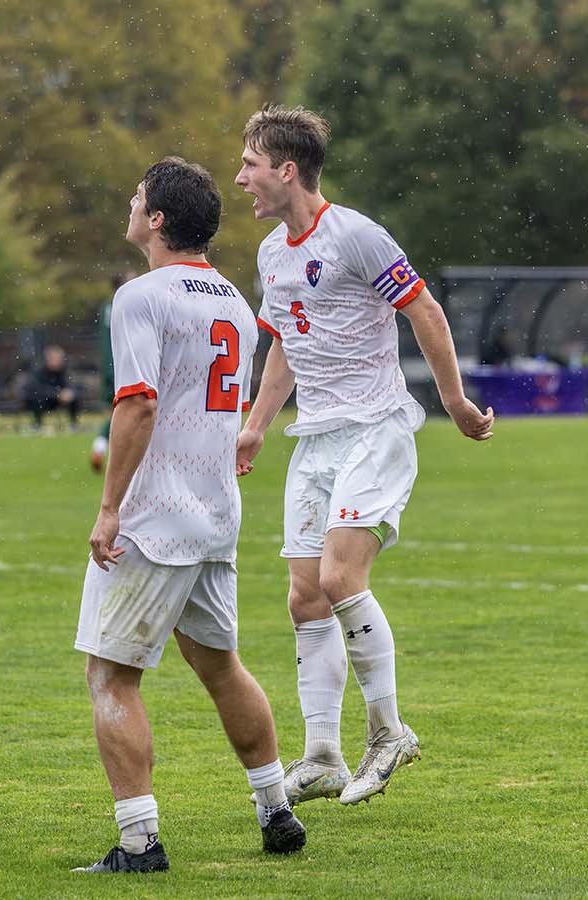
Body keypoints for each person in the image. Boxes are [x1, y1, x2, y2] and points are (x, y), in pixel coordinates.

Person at [233, 105, 494, 807]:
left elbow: (424, 311)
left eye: (251, 165)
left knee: (341, 577)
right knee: (305, 596)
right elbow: (284, 343)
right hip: (314, 439)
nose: (242, 179)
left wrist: (455, 402)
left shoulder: (356, 236)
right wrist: (256, 426)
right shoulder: (271, 254)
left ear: (288, 170)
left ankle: (390, 731)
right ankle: (322, 754)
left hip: (375, 429)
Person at [75, 157, 305, 874]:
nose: (130, 203)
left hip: (155, 518)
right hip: (215, 513)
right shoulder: (233, 299)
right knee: (220, 666)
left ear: (157, 220)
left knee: (111, 676)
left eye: (138, 196)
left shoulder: (140, 296)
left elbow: (138, 404)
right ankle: (276, 810)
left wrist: (110, 509)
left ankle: (139, 843)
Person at [91, 271, 137, 471]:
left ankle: (101, 447)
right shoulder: (125, 306)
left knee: (123, 413)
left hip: (112, 367)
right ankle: (107, 450)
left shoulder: (108, 307)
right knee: (133, 412)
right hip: (124, 365)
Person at [23, 344, 82, 431]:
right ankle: (37, 424)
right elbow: (37, 389)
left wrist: (69, 392)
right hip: (43, 400)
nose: (57, 361)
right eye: (54, 358)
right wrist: (57, 394)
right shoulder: (38, 370)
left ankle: (74, 424)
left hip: (59, 401)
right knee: (37, 400)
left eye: (59, 358)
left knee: (73, 398)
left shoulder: (65, 370)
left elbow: (74, 384)